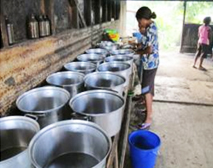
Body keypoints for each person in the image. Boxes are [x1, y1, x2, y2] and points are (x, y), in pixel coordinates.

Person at [134, 6, 159, 129]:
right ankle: (147, 108)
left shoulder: (151, 29)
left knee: (146, 89)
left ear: (144, 19)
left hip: (150, 63)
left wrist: (137, 53)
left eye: (140, 21)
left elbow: (149, 49)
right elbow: (146, 43)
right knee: (149, 87)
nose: (139, 24)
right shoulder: (150, 27)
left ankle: (148, 117)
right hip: (151, 63)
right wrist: (139, 46)